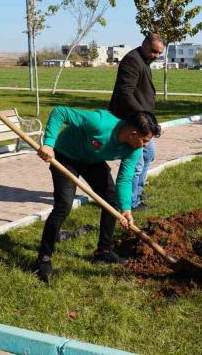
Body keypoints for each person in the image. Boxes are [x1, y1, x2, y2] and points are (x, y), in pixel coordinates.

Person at [34, 107, 161, 283]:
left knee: (112, 201)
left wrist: (126, 209)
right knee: (63, 206)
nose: (146, 145)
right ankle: (43, 259)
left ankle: (103, 251)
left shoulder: (134, 149)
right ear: (133, 133)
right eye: (145, 140)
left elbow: (124, 179)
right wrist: (48, 143)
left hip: (92, 160)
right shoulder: (100, 122)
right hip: (66, 156)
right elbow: (60, 113)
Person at [109, 33, 165, 211]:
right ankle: (130, 202)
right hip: (132, 120)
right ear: (144, 44)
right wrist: (143, 118)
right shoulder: (132, 60)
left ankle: (137, 192)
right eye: (154, 51)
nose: (155, 55)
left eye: (159, 53)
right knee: (136, 163)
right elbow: (126, 93)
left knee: (148, 155)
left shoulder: (144, 60)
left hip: (142, 120)